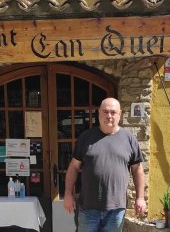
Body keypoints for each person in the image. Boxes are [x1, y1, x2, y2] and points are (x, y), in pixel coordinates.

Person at [63, 97, 147, 232]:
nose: (109, 116)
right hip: (88, 208)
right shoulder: (86, 137)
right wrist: (68, 194)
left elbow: (137, 170)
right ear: (99, 113)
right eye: (105, 112)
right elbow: (73, 167)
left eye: (113, 112)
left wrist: (140, 197)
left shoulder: (129, 139)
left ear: (119, 114)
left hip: (116, 209)